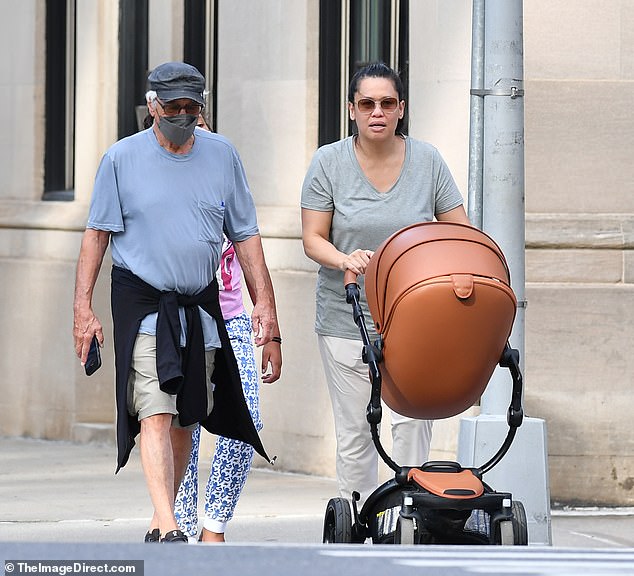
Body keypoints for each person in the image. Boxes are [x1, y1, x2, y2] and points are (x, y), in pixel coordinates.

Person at [73, 62, 280, 543]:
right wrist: (82, 310)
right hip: (144, 305)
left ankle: (159, 515)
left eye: (192, 108)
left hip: (199, 306)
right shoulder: (120, 160)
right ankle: (168, 522)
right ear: (152, 106)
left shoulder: (223, 155)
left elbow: (246, 237)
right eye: (174, 108)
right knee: (156, 410)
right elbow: (96, 237)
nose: (183, 116)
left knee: (188, 416)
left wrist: (265, 308)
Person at [300, 62, 471, 505]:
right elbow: (312, 239)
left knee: (413, 425)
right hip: (346, 318)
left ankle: (412, 518)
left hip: (415, 320)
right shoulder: (329, 162)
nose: (377, 112)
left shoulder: (427, 160)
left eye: (387, 103)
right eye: (367, 103)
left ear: (401, 109)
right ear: (352, 110)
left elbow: (461, 234)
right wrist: (345, 258)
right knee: (357, 431)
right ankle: (359, 527)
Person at [173, 114, 282, 543]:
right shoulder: (158, 182)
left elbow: (250, 244)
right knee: (183, 422)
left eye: (198, 121)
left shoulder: (225, 175)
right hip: (179, 316)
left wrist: (270, 323)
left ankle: (214, 524)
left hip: (232, 316)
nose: (192, 132)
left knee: (245, 418)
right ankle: (177, 523)